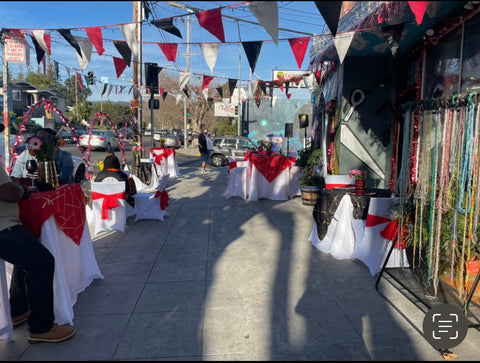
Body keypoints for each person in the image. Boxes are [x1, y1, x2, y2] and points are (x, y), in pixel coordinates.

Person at [0, 122, 76, 344]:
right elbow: (8, 192)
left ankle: (18, 310)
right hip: (3, 226)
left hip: (7, 224)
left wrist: (15, 185)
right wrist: (20, 191)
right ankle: (41, 327)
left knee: (27, 255)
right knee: (42, 261)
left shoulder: (63, 157)